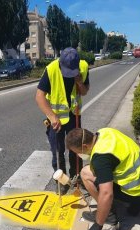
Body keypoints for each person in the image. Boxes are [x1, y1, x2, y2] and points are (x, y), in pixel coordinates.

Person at [65, 128, 140, 230]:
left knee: (85, 173)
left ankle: (110, 215)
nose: (79, 155)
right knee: (108, 169)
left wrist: (99, 224)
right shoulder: (105, 132)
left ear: (85, 146)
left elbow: (107, 193)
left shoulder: (100, 158)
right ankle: (137, 204)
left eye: (78, 152)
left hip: (134, 191)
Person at [35, 48, 90, 193]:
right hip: (55, 118)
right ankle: (61, 181)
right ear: (60, 63)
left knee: (76, 148)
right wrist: (52, 117)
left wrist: (79, 83)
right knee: (58, 151)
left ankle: (77, 176)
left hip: (74, 115)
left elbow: (84, 91)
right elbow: (39, 96)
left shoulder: (83, 67)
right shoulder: (51, 69)